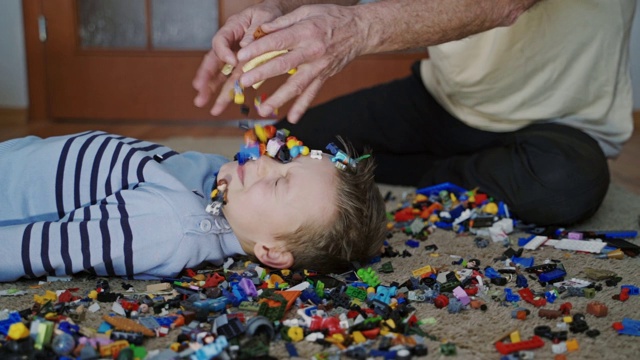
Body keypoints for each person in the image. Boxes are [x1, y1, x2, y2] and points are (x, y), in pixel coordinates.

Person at [193, 0, 637, 226]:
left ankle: (422, 171)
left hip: (559, 122)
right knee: (293, 144)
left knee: (563, 187)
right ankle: (456, 173)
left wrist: (358, 28)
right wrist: (276, 13)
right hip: (440, 98)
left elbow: (505, 5)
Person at [0, 130, 387, 282]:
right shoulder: (220, 188)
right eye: (285, 161)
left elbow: (44, 247)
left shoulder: (169, 227)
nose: (265, 163)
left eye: (278, 183)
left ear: (270, 252)